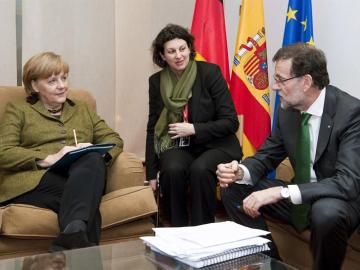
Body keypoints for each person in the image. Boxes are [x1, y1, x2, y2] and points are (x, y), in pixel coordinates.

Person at [216, 43, 360, 270]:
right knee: (234, 186)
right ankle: (271, 264)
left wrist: (281, 191)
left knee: (326, 212)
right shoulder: (288, 110)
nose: (274, 86)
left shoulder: (351, 113)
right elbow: (267, 155)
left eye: (281, 79)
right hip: (301, 196)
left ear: (306, 82)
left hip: (339, 199)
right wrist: (240, 171)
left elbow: (347, 182)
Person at [0, 52, 123, 251]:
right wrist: (49, 158)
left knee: (92, 159)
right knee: (87, 202)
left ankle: (70, 238)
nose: (62, 85)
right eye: (52, 81)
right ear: (34, 86)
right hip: (36, 180)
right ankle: (76, 240)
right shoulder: (19, 110)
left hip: (81, 175)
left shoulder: (82, 109)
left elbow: (114, 140)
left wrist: (96, 154)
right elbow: (3, 151)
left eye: (64, 78)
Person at [146, 24, 242, 227]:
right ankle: (177, 231)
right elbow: (153, 127)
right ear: (162, 56)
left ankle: (202, 230)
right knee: (172, 169)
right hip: (179, 145)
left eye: (182, 48)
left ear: (190, 48)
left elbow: (230, 122)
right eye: (171, 51)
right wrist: (151, 173)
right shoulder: (156, 82)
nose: (178, 55)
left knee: (200, 169)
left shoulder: (209, 73)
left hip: (218, 144)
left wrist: (194, 129)